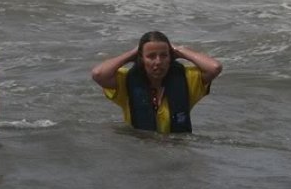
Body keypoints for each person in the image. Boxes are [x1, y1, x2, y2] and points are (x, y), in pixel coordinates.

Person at [91, 31, 222, 133]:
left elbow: (214, 67)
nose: (158, 62)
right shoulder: (126, 80)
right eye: (151, 56)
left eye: (164, 55)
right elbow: (98, 74)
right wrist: (132, 54)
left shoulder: (188, 79)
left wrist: (179, 50)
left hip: (177, 152)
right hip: (140, 150)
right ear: (141, 58)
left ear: (171, 58)